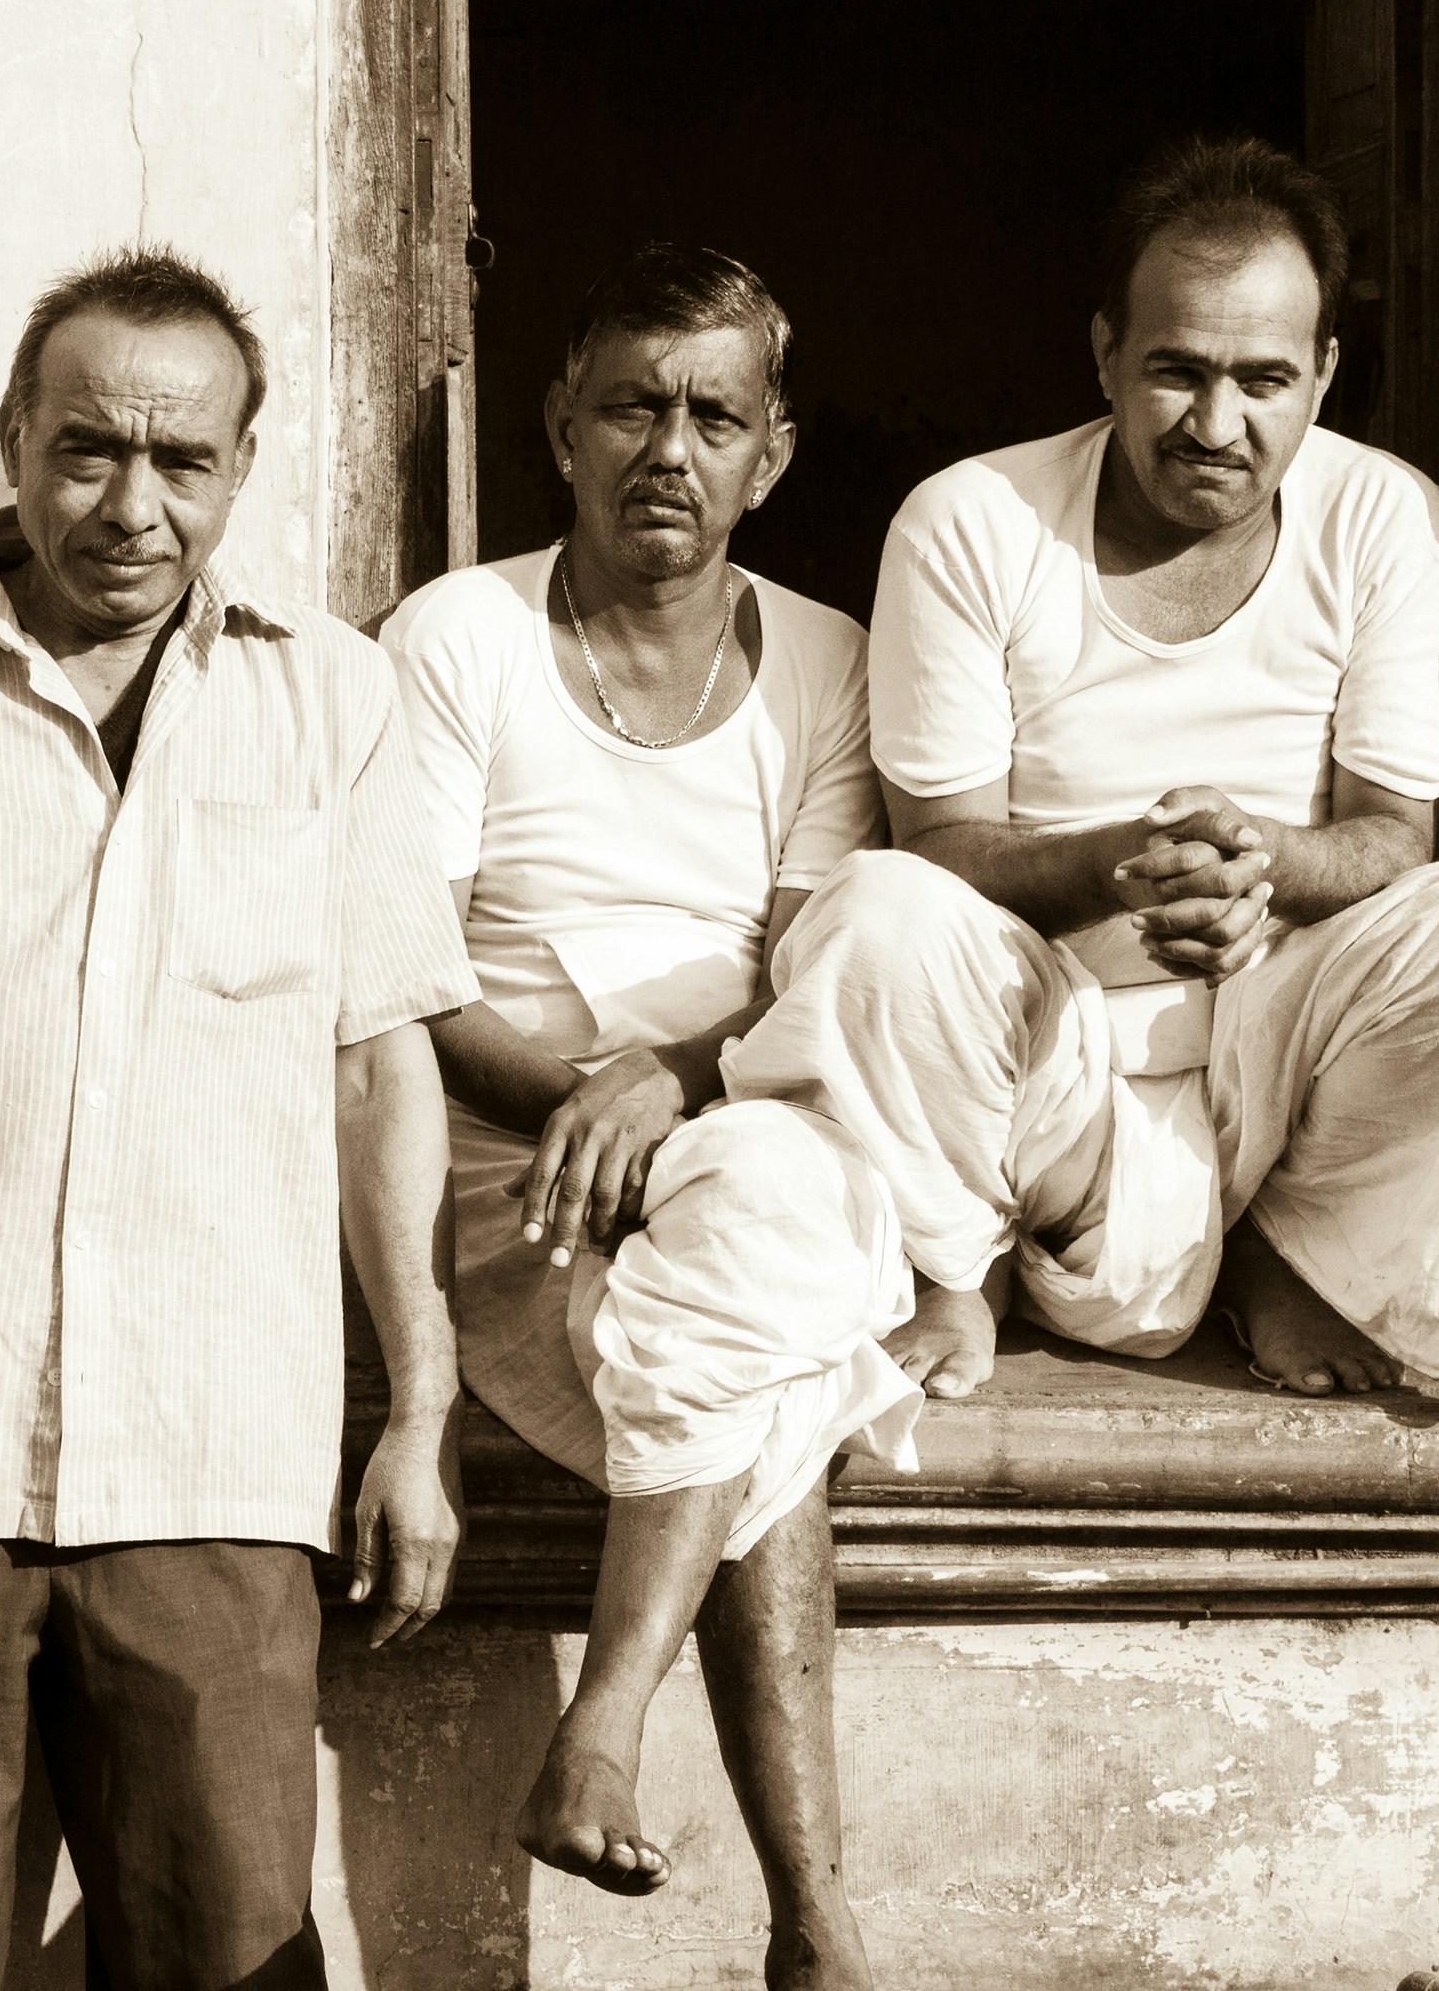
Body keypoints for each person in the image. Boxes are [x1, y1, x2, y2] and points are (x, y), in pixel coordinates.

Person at [0, 248, 478, 1987]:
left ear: (243, 468)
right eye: (86, 452)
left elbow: (377, 1067)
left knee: (228, 1963)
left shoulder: (331, 698)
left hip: (212, 1450)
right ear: (15, 442)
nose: (131, 507)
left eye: (181, 462)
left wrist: (419, 1409)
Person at [722, 136, 1439, 1407]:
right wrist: (1119, 867)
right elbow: (940, 846)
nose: (1216, 424)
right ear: (1103, 355)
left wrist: (1263, 861)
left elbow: (1392, 835)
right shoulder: (972, 519)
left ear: (1325, 376)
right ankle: (952, 1263)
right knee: (876, 911)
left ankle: (1288, 1251)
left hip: (1287, 1036)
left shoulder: (1393, 521)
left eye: (1264, 380)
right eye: (1176, 373)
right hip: (1048, 1051)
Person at [383, 243, 908, 1991]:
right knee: (781, 1332)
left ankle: (604, 1727)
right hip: (506, 1172)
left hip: (742, 1126)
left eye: (710, 415)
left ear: (772, 451)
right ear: (559, 427)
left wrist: (669, 1086)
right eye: (629, 407)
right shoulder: (461, 636)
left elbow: (818, 962)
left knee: (758, 1209)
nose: (665, 451)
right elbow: (407, 977)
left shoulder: (828, 661)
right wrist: (591, 1102)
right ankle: (814, 1922)